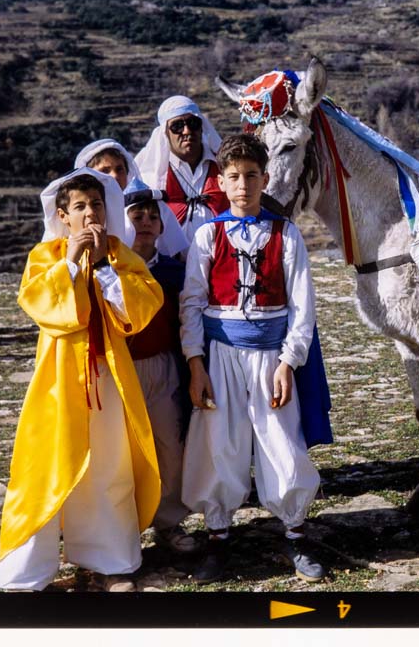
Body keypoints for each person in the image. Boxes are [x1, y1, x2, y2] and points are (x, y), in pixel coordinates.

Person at [0, 169, 165, 593]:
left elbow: (141, 307)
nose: (90, 213)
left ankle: (110, 561)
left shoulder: (118, 253)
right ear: (63, 215)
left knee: (110, 467)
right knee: (44, 469)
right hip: (58, 380)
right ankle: (26, 575)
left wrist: (105, 268)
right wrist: (71, 262)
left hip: (107, 378)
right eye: (80, 207)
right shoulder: (46, 256)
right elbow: (40, 305)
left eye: (96, 204)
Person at [178, 133, 332, 584]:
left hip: (271, 358)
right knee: (219, 444)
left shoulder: (286, 235)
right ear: (221, 183)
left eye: (251, 175)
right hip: (220, 355)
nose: (242, 184)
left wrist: (289, 362)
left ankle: (296, 533)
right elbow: (191, 302)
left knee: (279, 441)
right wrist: (195, 363)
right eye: (233, 176)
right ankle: (219, 536)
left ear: (265, 179)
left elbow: (303, 307)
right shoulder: (208, 235)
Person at [122, 178, 197, 555]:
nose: (146, 222)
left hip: (164, 369)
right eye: (137, 215)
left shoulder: (172, 272)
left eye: (153, 215)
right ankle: (123, 530)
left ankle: (169, 521)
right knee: (124, 451)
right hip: (122, 374)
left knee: (170, 443)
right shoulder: (108, 270)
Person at [134, 96, 227, 244]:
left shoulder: (224, 166)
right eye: (177, 126)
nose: (187, 131)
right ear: (165, 132)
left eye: (193, 123)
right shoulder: (152, 175)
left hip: (221, 257)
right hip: (171, 263)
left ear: (202, 127)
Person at [80, 137, 188, 259]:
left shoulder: (149, 208)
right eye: (105, 170)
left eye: (119, 169)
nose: (114, 176)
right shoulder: (82, 216)